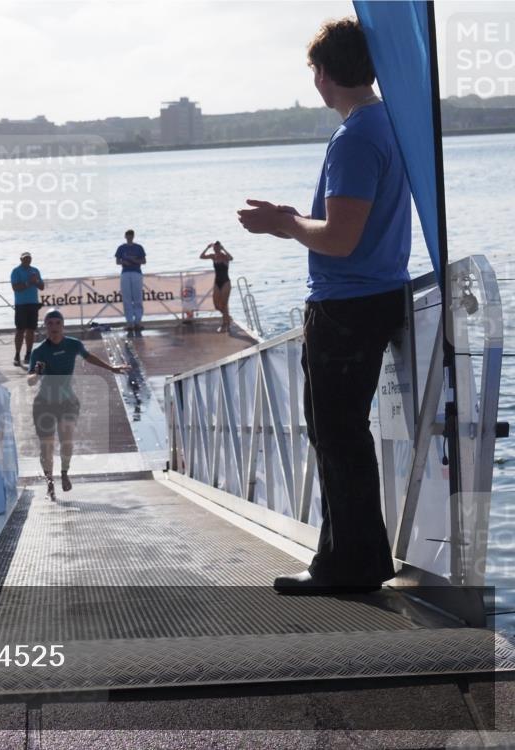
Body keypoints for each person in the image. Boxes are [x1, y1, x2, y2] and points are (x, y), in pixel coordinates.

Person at [237, 17, 410, 595]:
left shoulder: (356, 135)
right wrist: (292, 218)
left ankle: (349, 564)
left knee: (336, 433)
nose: (313, 78)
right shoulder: (388, 123)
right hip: (378, 292)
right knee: (342, 432)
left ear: (325, 73)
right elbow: (348, 224)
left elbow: (339, 239)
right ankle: (349, 556)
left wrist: (282, 225)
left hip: (347, 305)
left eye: (313, 68)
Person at [28, 309, 131, 501]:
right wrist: (36, 373)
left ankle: (65, 472)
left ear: (63, 325)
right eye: (49, 324)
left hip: (67, 401)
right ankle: (49, 481)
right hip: (44, 403)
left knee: (66, 439)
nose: (54, 327)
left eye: (57, 323)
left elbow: (88, 356)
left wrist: (111, 368)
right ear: (45, 328)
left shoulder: (73, 344)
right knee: (47, 446)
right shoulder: (39, 351)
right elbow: (31, 381)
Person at [10, 252, 44, 367]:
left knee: (31, 330)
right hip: (21, 305)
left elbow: (42, 286)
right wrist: (29, 282)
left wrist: (36, 281)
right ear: (21, 259)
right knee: (20, 330)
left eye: (29, 258)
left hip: (33, 304)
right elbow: (16, 288)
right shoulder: (16, 271)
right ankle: (17, 354)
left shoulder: (35, 270)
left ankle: (28, 354)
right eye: (25, 258)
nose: (27, 260)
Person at [115, 229, 146, 331]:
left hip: (136, 272)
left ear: (133, 236)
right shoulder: (121, 248)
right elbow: (117, 261)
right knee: (127, 298)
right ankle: (129, 322)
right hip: (125, 272)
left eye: (131, 235)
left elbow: (144, 261)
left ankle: (138, 321)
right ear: (125, 236)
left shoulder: (138, 247)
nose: (129, 237)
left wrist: (134, 260)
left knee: (137, 297)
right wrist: (124, 261)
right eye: (128, 235)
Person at [199, 241, 233, 332]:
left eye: (217, 248)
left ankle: (225, 324)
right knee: (216, 305)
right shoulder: (213, 256)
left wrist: (224, 249)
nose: (216, 250)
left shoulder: (225, 257)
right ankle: (227, 317)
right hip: (217, 282)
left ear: (220, 248)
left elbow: (231, 258)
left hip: (226, 282)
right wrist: (207, 247)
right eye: (214, 248)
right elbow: (201, 256)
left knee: (224, 304)